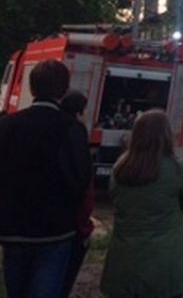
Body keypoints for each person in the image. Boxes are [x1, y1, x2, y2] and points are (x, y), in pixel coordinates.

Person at [0, 60, 91, 298]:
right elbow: (81, 181)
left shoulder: (7, 124)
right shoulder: (73, 129)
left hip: (14, 230)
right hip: (56, 232)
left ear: (31, 88)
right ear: (63, 90)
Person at [100, 110, 183, 298]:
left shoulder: (119, 169)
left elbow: (114, 199)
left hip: (123, 261)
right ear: (166, 136)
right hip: (167, 263)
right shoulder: (177, 168)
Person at [58, 90, 95, 298]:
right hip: (68, 228)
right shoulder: (76, 131)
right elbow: (84, 188)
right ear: (80, 111)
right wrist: (83, 227)